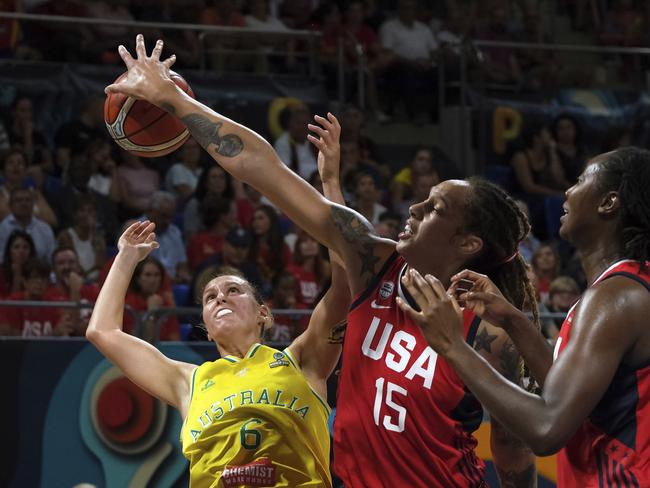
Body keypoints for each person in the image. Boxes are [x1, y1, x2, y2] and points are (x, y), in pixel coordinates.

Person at [104, 35, 536, 487]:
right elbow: (263, 168)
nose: (413, 210)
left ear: (467, 244)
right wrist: (175, 101)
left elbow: (512, 449)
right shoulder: (374, 263)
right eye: (422, 201)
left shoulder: (486, 331)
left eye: (434, 210)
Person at [86, 113, 351, 485]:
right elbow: (103, 331)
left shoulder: (302, 361)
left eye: (233, 290)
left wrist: (331, 184)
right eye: (209, 297)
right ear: (206, 328)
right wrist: (126, 257)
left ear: (263, 314)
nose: (219, 297)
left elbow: (344, 287)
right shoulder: (187, 381)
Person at [400, 147, 650, 486]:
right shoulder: (623, 287)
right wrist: (514, 321)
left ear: (608, 203)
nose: (568, 191)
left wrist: (453, 346)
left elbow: (547, 429)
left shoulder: (617, 297)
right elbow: (566, 395)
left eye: (580, 181)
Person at [0, 229, 36, 297]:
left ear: (31, 251)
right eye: (16, 247)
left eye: (25, 247)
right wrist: (17, 276)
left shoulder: (38, 271)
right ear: (9, 252)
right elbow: (11, 304)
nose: (21, 251)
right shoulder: (1, 271)